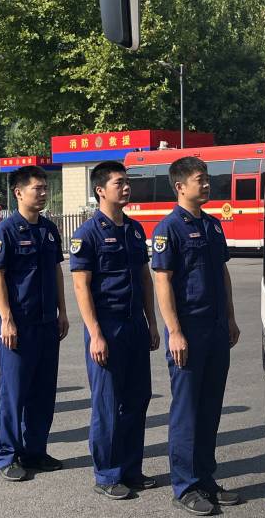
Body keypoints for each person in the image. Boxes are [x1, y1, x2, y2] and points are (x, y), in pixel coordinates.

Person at [151, 157, 241, 516]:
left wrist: (230, 318)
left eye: (207, 179)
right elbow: (162, 281)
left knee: (210, 408)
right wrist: (174, 331)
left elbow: (222, 273)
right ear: (180, 186)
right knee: (187, 410)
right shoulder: (169, 229)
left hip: (216, 329)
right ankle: (185, 485)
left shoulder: (213, 225)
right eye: (199, 179)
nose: (206, 185)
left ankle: (205, 478)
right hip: (188, 330)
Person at [71, 161, 161, 500]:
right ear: (100, 190)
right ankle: (107, 474)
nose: (126, 188)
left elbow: (144, 278)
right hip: (106, 327)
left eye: (127, 182)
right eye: (118, 183)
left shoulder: (135, 230)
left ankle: (131, 469)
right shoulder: (87, 234)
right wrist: (95, 333)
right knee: (108, 403)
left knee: (138, 398)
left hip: (135, 324)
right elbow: (81, 286)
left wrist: (152, 321)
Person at [0, 165, 68, 481]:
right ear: (19, 192)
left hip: (47, 322)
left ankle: (35, 451)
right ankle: (7, 456)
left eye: (46, 187)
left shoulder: (48, 229)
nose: (44, 193)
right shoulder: (4, 231)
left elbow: (57, 271)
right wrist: (7, 320)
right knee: (14, 393)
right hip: (19, 325)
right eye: (38, 188)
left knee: (43, 392)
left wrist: (63, 312)